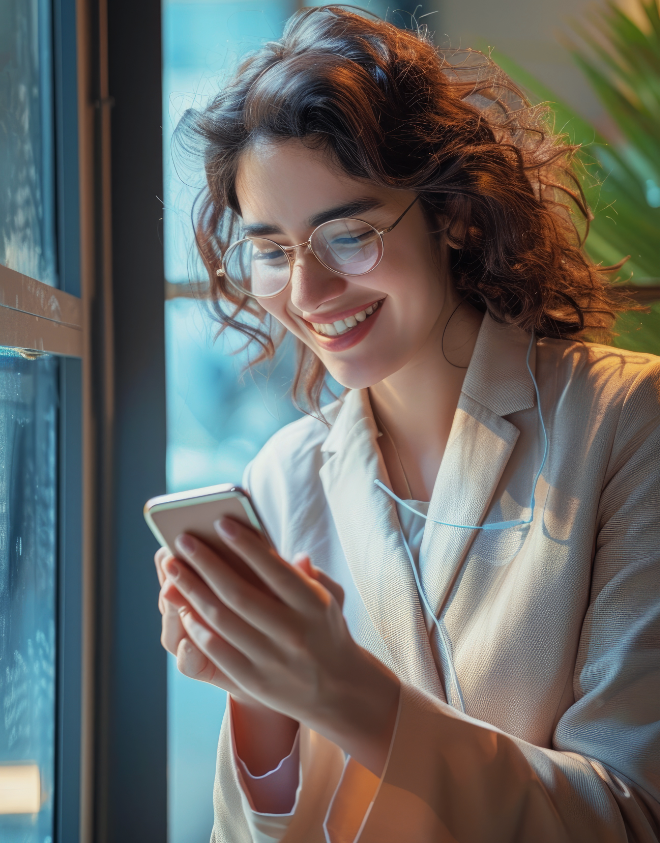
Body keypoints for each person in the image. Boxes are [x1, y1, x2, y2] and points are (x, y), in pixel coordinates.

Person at [154, 6, 660, 842]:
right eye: (273, 250)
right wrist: (261, 700)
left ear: (453, 213)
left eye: (347, 234)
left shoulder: (625, 422)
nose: (307, 295)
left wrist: (341, 691)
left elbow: (630, 816)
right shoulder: (285, 475)